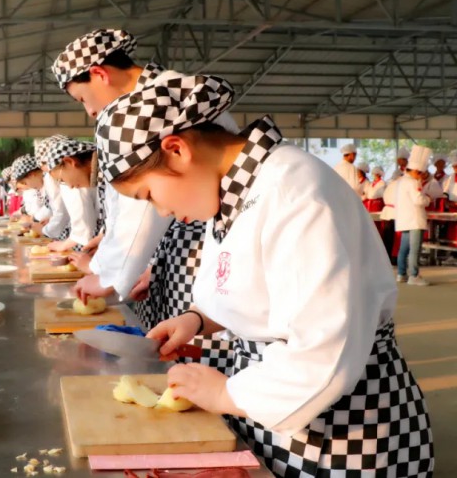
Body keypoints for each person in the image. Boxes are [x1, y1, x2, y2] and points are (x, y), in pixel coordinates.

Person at [93, 73, 433, 476]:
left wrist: (225, 393)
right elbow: (250, 285)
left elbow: (324, 351)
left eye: (149, 195)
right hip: (277, 410)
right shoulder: (236, 190)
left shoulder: (293, 190)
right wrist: (197, 319)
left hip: (346, 429)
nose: (161, 211)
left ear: (177, 150)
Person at [52, 29, 174, 302]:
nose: (90, 111)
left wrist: (107, 274)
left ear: (99, 74)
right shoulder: (151, 96)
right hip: (161, 257)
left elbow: (141, 208)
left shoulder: (153, 103)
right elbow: (123, 207)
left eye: (83, 99)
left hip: (191, 257)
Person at [395, 145, 433, 286]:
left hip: (405, 219)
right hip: (415, 219)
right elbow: (418, 200)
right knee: (414, 249)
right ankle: (414, 275)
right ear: (416, 171)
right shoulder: (412, 182)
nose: (421, 176)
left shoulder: (401, 181)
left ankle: (401, 273)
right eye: (420, 173)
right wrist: (428, 199)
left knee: (404, 249)